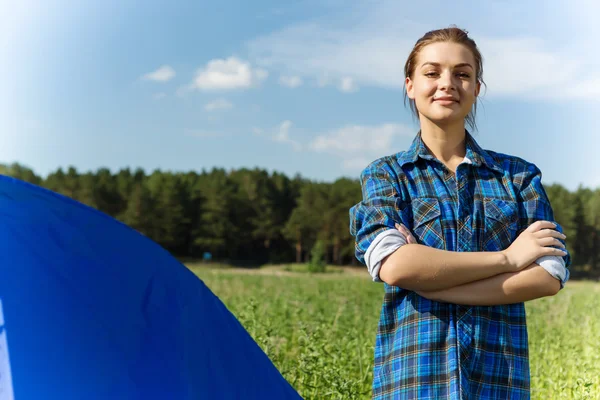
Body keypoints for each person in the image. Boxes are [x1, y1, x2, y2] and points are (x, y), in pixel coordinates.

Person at [349, 26, 570, 399]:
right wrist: (508, 258)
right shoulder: (385, 175)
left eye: (462, 74)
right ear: (409, 85)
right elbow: (396, 266)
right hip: (415, 382)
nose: (447, 83)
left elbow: (549, 275)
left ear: (477, 88)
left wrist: (429, 280)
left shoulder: (518, 177)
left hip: (497, 380)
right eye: (432, 72)